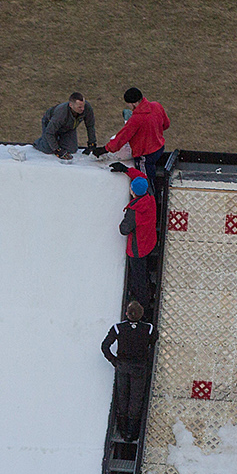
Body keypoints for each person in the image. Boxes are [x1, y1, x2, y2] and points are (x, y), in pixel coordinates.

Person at [100, 299, 157, 443]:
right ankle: (133, 432)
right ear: (142, 314)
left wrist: (114, 361)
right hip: (139, 368)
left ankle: (122, 430)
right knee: (136, 399)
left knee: (122, 396)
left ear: (126, 314)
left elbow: (105, 346)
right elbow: (153, 340)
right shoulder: (149, 328)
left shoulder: (118, 328)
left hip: (123, 366)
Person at [106, 88, 171, 188]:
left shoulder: (136, 118)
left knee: (145, 182)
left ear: (134, 103)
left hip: (146, 155)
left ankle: (151, 199)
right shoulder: (157, 106)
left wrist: (106, 149)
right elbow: (166, 124)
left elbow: (122, 137)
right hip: (159, 148)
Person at [119, 168, 158, 309]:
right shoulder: (151, 198)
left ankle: (143, 304)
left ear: (132, 192)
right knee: (144, 270)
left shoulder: (134, 212)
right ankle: (149, 289)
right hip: (149, 242)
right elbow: (143, 177)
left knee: (138, 277)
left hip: (137, 250)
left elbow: (124, 229)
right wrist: (125, 170)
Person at [34, 93, 97, 158]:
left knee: (72, 149)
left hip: (69, 127)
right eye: (79, 107)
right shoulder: (61, 113)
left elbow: (90, 126)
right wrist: (57, 150)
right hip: (50, 125)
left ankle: (57, 140)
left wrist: (92, 144)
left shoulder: (87, 108)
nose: (83, 109)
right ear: (71, 105)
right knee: (48, 149)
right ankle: (39, 142)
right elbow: (49, 132)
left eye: (83, 105)